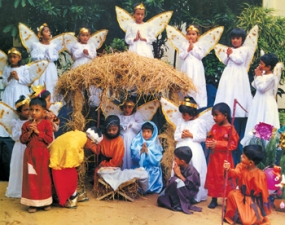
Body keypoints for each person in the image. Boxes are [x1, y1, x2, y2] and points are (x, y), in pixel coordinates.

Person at [214, 28, 252, 164]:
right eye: (233, 38)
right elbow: (225, 60)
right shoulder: (229, 49)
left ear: (242, 39)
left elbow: (240, 60)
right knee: (227, 91)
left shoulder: (244, 49)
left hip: (238, 75)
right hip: (228, 75)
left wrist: (231, 54)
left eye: (238, 38)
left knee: (236, 91)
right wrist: (228, 54)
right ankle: (227, 109)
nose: (235, 41)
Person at [49, 127, 103, 208]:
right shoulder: (77, 142)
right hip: (58, 155)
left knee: (71, 174)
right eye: (94, 145)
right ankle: (72, 198)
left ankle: (73, 195)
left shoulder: (80, 135)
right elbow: (71, 160)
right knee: (70, 175)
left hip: (59, 152)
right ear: (91, 141)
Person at [20, 97, 54, 213]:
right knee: (31, 178)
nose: (33, 113)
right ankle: (32, 203)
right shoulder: (25, 125)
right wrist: (29, 132)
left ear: (44, 112)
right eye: (31, 110)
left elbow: (49, 139)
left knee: (44, 177)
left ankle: (45, 202)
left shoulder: (47, 124)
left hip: (42, 154)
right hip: (30, 154)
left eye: (37, 110)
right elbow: (22, 140)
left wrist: (38, 132)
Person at [223, 144, 271, 225]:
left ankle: (255, 215)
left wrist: (264, 209)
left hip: (253, 202)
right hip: (241, 196)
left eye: (244, 156)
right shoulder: (241, 166)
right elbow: (234, 173)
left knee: (247, 222)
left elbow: (264, 194)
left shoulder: (260, 175)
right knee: (232, 194)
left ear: (251, 162)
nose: (241, 156)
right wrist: (228, 169)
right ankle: (237, 214)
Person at [205, 103, 239, 209]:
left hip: (225, 159)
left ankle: (228, 200)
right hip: (214, 158)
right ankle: (214, 199)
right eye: (213, 116)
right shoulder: (214, 127)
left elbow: (234, 144)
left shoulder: (230, 129)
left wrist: (218, 144)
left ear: (225, 115)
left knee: (226, 177)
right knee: (214, 177)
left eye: (216, 115)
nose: (214, 118)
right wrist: (209, 143)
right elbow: (209, 137)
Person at [174, 96, 208, 202]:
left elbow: (203, 137)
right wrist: (181, 135)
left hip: (194, 149)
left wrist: (191, 135)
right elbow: (176, 135)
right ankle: (178, 192)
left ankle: (195, 194)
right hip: (181, 148)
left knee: (195, 168)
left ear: (192, 113)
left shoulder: (200, 122)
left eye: (185, 114)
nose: (183, 116)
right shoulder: (180, 121)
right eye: (182, 114)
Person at [241, 53, 280, 146]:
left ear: (268, 67)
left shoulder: (272, 78)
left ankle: (263, 146)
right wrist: (258, 75)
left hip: (265, 103)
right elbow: (254, 84)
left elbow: (262, 88)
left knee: (263, 121)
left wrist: (258, 76)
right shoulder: (262, 74)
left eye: (262, 64)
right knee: (255, 120)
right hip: (258, 102)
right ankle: (253, 145)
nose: (259, 65)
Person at [157, 146, 201, 214]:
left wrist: (179, 175)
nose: (174, 160)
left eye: (175, 159)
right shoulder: (179, 166)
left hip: (188, 193)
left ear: (182, 161)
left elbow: (190, 186)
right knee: (161, 199)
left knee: (175, 180)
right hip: (179, 190)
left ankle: (181, 203)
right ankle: (176, 201)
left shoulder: (192, 171)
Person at [84, 115, 125, 185]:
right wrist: (88, 143)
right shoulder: (103, 137)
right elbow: (97, 150)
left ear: (118, 128)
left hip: (115, 166)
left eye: (114, 130)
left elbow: (116, 161)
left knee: (105, 174)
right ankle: (98, 190)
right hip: (104, 163)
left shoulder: (119, 140)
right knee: (97, 171)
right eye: (109, 130)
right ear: (106, 129)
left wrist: (104, 165)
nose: (111, 132)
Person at [0, 47, 30, 138]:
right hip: (9, 92)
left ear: (19, 58)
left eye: (14, 57)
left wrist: (17, 77)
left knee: (21, 108)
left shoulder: (24, 68)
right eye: (10, 57)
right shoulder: (7, 68)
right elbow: (4, 82)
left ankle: (21, 128)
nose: (12, 59)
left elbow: (27, 80)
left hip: (20, 90)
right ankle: (8, 129)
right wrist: (9, 77)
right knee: (9, 107)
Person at [5, 96, 30, 198]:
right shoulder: (15, 123)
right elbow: (15, 136)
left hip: (29, 147)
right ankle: (18, 190)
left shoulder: (32, 121)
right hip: (19, 148)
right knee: (19, 167)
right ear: (19, 112)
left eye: (29, 109)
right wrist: (26, 133)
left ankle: (29, 190)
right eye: (25, 110)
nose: (28, 112)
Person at [130, 121, 163, 194]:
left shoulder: (155, 143)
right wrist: (141, 151)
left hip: (151, 168)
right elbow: (133, 157)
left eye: (148, 132)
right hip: (139, 166)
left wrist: (148, 152)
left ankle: (149, 188)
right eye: (144, 131)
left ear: (153, 133)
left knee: (154, 171)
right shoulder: (137, 141)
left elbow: (157, 160)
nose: (146, 134)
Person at [179, 25, 207, 108]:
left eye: (193, 34)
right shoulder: (184, 44)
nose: (191, 36)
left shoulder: (200, 45)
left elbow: (200, 56)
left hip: (197, 67)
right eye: (189, 34)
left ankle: (198, 103)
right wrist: (188, 50)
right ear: (186, 35)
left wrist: (193, 48)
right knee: (186, 83)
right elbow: (181, 56)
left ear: (197, 35)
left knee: (196, 82)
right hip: (186, 66)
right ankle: (186, 102)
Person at [30, 23, 59, 100]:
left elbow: (56, 56)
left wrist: (50, 58)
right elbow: (33, 56)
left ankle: (51, 101)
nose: (49, 33)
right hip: (41, 67)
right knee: (41, 83)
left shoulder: (53, 45)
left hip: (50, 67)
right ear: (41, 34)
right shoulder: (36, 45)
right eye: (46, 31)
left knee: (51, 83)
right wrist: (43, 57)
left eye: (49, 31)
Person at [118, 98, 144, 169]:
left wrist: (133, 124)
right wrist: (121, 125)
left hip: (132, 140)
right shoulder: (119, 117)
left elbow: (142, 125)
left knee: (130, 154)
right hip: (121, 139)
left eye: (129, 107)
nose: (127, 109)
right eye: (125, 107)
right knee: (122, 154)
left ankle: (131, 172)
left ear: (133, 107)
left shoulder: (135, 116)